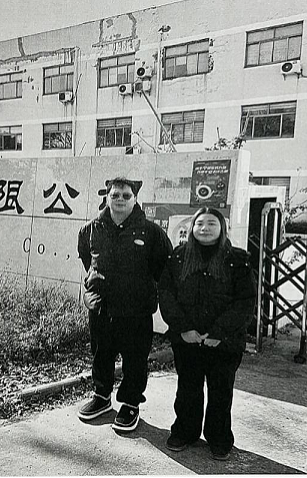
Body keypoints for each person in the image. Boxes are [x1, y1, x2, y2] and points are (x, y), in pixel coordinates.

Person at [158, 207, 256, 460]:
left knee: (220, 392)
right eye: (199, 223)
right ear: (192, 228)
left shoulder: (238, 259)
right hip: (187, 340)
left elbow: (245, 302)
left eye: (211, 223)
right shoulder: (179, 257)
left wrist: (219, 333)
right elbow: (166, 294)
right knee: (188, 389)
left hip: (224, 343)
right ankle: (185, 431)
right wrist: (183, 328)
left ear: (222, 228)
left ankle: (219, 438)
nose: (204, 228)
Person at [77, 177, 172, 432]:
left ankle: (131, 403)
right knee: (101, 355)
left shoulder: (151, 233)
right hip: (101, 309)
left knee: (135, 360)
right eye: (115, 195)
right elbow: (87, 258)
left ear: (135, 199)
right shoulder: (91, 229)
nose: (120, 199)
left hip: (136, 312)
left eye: (126, 195)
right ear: (107, 198)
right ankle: (102, 396)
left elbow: (163, 269)